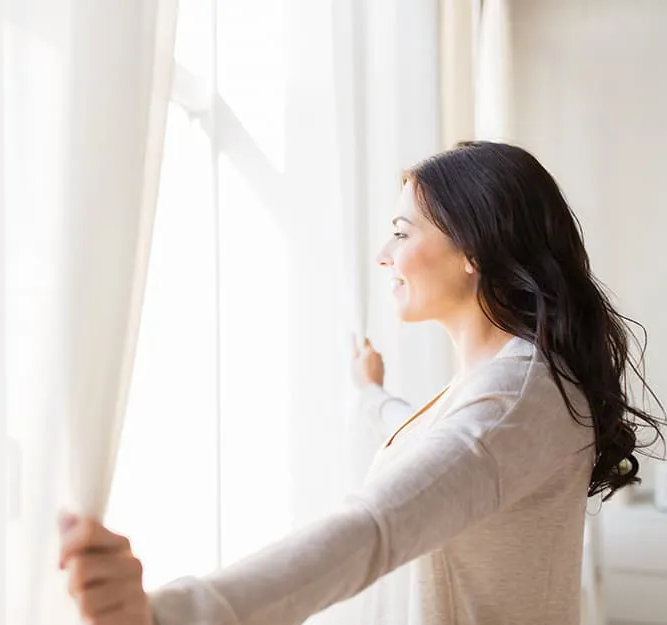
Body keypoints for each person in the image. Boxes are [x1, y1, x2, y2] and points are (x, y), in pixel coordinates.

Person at [57, 141, 665, 625]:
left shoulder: (514, 399)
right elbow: (444, 450)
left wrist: (174, 615)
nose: (384, 253)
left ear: (472, 250)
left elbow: (374, 527)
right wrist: (371, 392)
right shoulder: (511, 388)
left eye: (403, 232)